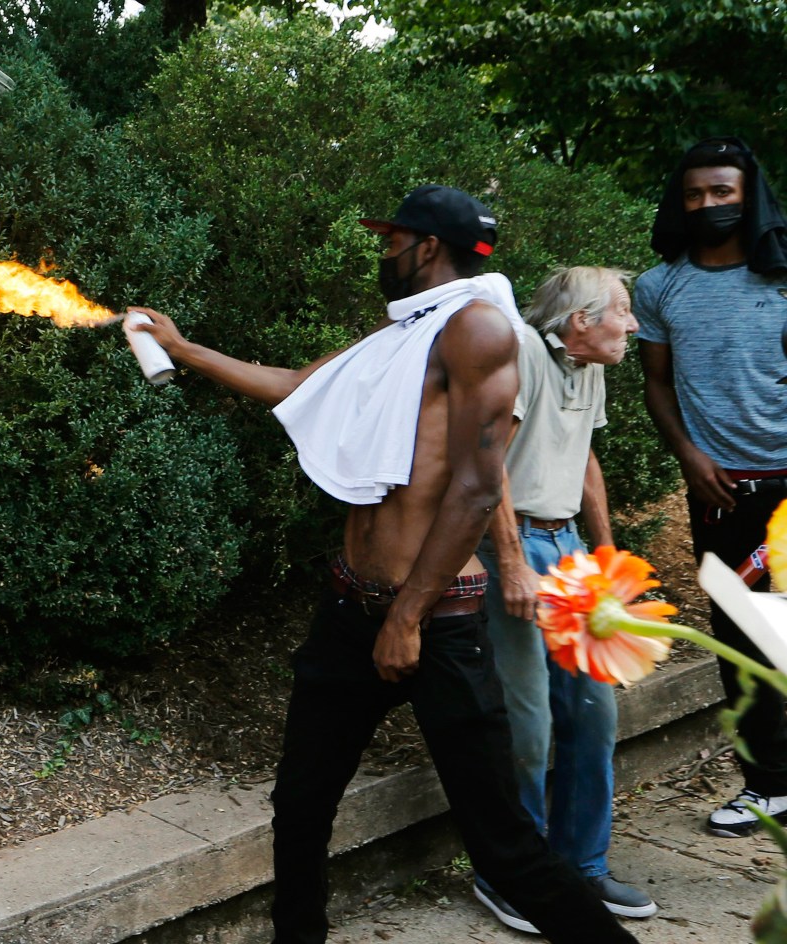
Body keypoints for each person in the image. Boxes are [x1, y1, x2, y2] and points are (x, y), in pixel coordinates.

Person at [131, 185, 639, 944]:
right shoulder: (407, 333)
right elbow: (299, 385)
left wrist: (406, 617)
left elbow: (474, 489)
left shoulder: (479, 331)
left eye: (390, 241)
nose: (383, 254)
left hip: (435, 624)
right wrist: (182, 349)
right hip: (349, 608)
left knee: (505, 844)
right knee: (301, 807)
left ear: (426, 246)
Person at [472, 266, 655, 931]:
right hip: (511, 543)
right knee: (529, 723)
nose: (632, 325)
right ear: (581, 321)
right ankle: (510, 875)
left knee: (593, 710)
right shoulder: (522, 348)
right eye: (623, 312)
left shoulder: (591, 364)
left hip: (567, 544)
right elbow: (488, 458)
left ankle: (581, 868)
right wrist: (514, 561)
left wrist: (606, 559)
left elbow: (583, 459)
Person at [636, 137, 787, 838]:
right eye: (696, 194)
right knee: (742, 634)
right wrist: (689, 456)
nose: (709, 205)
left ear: (748, 194)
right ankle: (768, 788)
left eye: (723, 192)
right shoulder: (659, 287)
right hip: (719, 492)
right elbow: (657, 384)